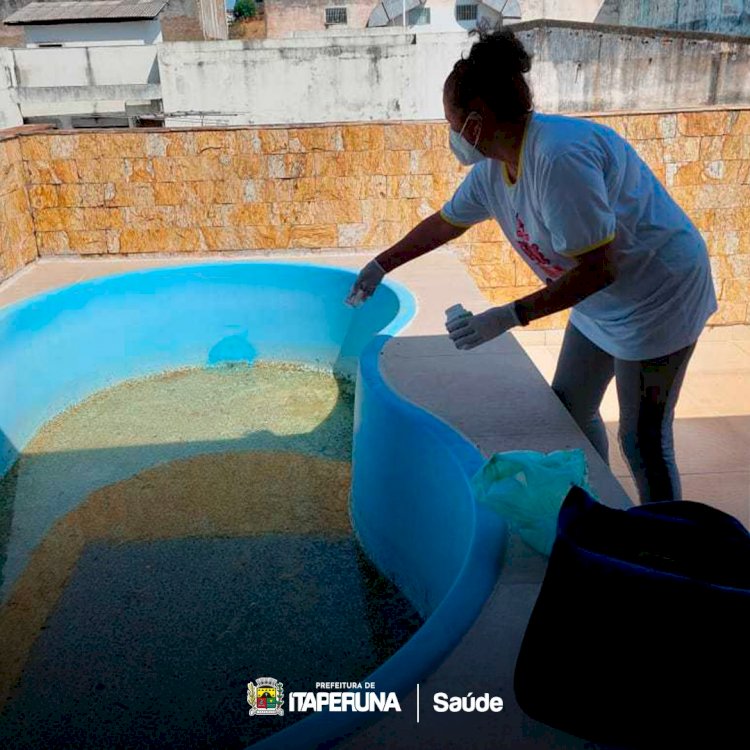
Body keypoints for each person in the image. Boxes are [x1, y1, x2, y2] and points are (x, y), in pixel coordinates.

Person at [344, 25, 717, 505]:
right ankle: (601, 505)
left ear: (477, 120)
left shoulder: (558, 158)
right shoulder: (493, 172)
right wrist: (381, 265)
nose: (452, 134)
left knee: (642, 440)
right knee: (569, 409)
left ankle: (673, 553)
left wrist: (508, 316)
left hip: (658, 296)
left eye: (452, 121)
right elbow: (444, 224)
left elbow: (599, 269)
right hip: (602, 298)